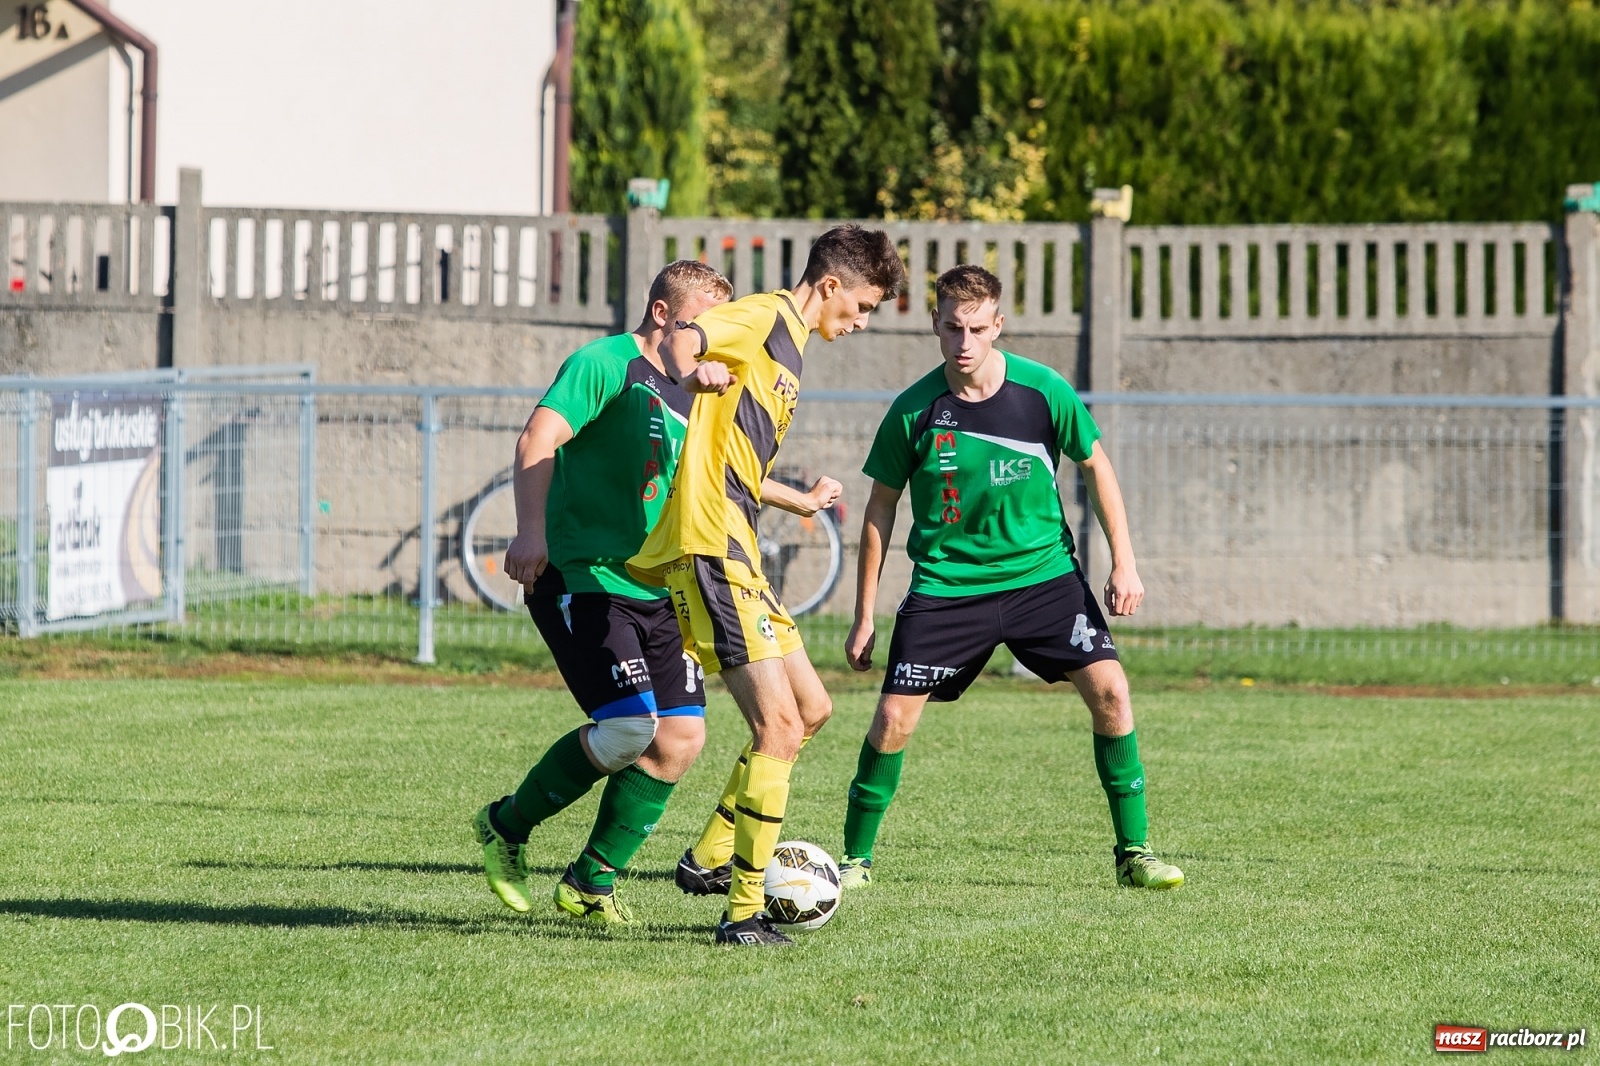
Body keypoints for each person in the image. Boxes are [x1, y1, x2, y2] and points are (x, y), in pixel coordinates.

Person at [471, 260, 840, 924]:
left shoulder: (695, 388)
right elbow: (540, 436)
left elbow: (722, 475)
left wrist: (800, 500)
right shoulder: (606, 362)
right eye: (702, 323)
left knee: (680, 740)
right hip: (586, 577)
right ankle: (506, 823)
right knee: (627, 729)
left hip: (663, 582)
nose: (714, 339)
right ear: (665, 316)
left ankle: (590, 880)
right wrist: (531, 530)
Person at [838, 264, 1184, 892]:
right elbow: (879, 508)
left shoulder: (1042, 390)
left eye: (976, 328)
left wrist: (1124, 562)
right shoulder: (914, 410)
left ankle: (1135, 853)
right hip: (947, 586)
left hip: (1043, 580)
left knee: (1111, 691)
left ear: (998, 325)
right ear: (935, 326)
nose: (963, 341)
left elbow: (1096, 467)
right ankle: (855, 862)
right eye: (951, 328)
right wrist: (865, 614)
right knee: (892, 719)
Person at [628, 225, 907, 947]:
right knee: (777, 728)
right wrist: (694, 373)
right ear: (832, 285)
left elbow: (734, 459)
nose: (863, 321)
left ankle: (707, 859)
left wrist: (797, 500)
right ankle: (743, 912)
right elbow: (688, 335)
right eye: (866, 305)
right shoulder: (764, 316)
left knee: (811, 711)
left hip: (738, 540)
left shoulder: (792, 349)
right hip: (712, 544)